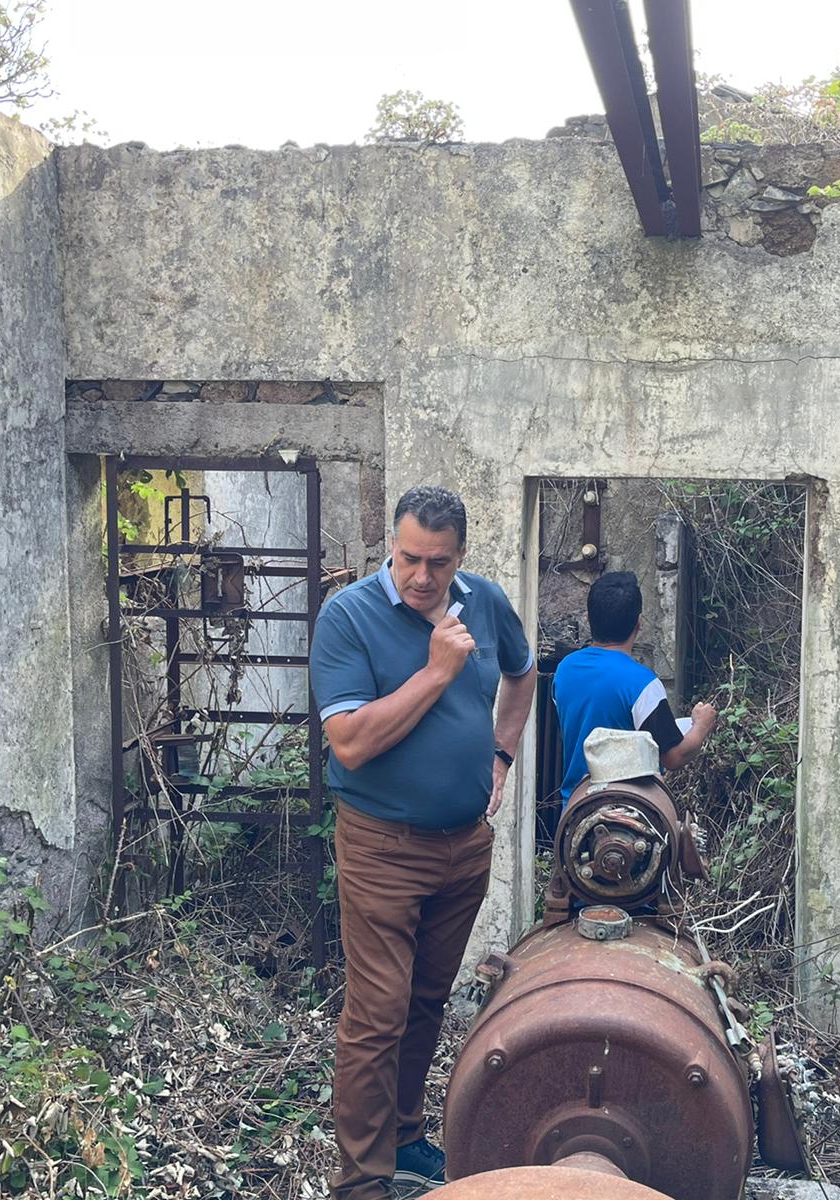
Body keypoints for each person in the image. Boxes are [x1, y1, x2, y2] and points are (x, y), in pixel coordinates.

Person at [310, 485, 537, 1199]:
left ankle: (406, 1138)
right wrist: (437, 669)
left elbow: (524, 672)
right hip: (382, 846)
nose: (421, 576)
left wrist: (501, 755)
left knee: (427, 1000)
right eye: (409, 558)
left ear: (459, 557)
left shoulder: (487, 602)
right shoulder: (349, 618)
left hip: (463, 846)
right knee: (378, 1013)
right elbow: (348, 743)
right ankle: (362, 1181)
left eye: (438, 563)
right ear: (393, 545)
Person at [552, 570, 717, 805]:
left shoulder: (564, 670)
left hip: (575, 810)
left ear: (589, 619)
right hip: (627, 813)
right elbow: (673, 757)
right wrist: (702, 724)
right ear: (638, 624)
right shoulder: (642, 684)